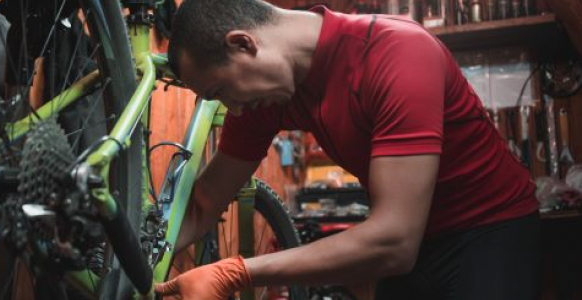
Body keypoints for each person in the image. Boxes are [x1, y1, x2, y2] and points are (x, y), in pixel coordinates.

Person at [153, 0, 541, 299]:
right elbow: (204, 201)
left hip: (490, 227)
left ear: (243, 43)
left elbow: (394, 239)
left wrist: (236, 271)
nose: (232, 110)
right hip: (410, 240)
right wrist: (143, 262)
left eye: (220, 92)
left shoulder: (396, 54)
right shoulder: (263, 95)